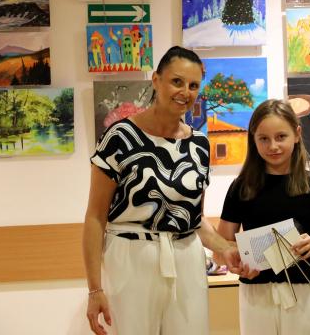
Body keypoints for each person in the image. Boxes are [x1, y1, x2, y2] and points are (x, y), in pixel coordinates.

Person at [83, 46, 241, 335]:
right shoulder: (119, 137)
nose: (185, 92)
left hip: (187, 257)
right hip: (131, 255)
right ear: (156, 80)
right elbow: (95, 217)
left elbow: (195, 220)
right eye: (177, 81)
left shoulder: (199, 145)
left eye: (193, 85)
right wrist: (95, 289)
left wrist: (225, 249)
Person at [217, 99, 310, 335]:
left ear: (297, 134)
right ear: (253, 139)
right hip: (256, 293)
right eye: (263, 139)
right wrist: (236, 262)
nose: (273, 146)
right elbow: (220, 250)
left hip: (305, 292)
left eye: (281, 137)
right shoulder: (241, 187)